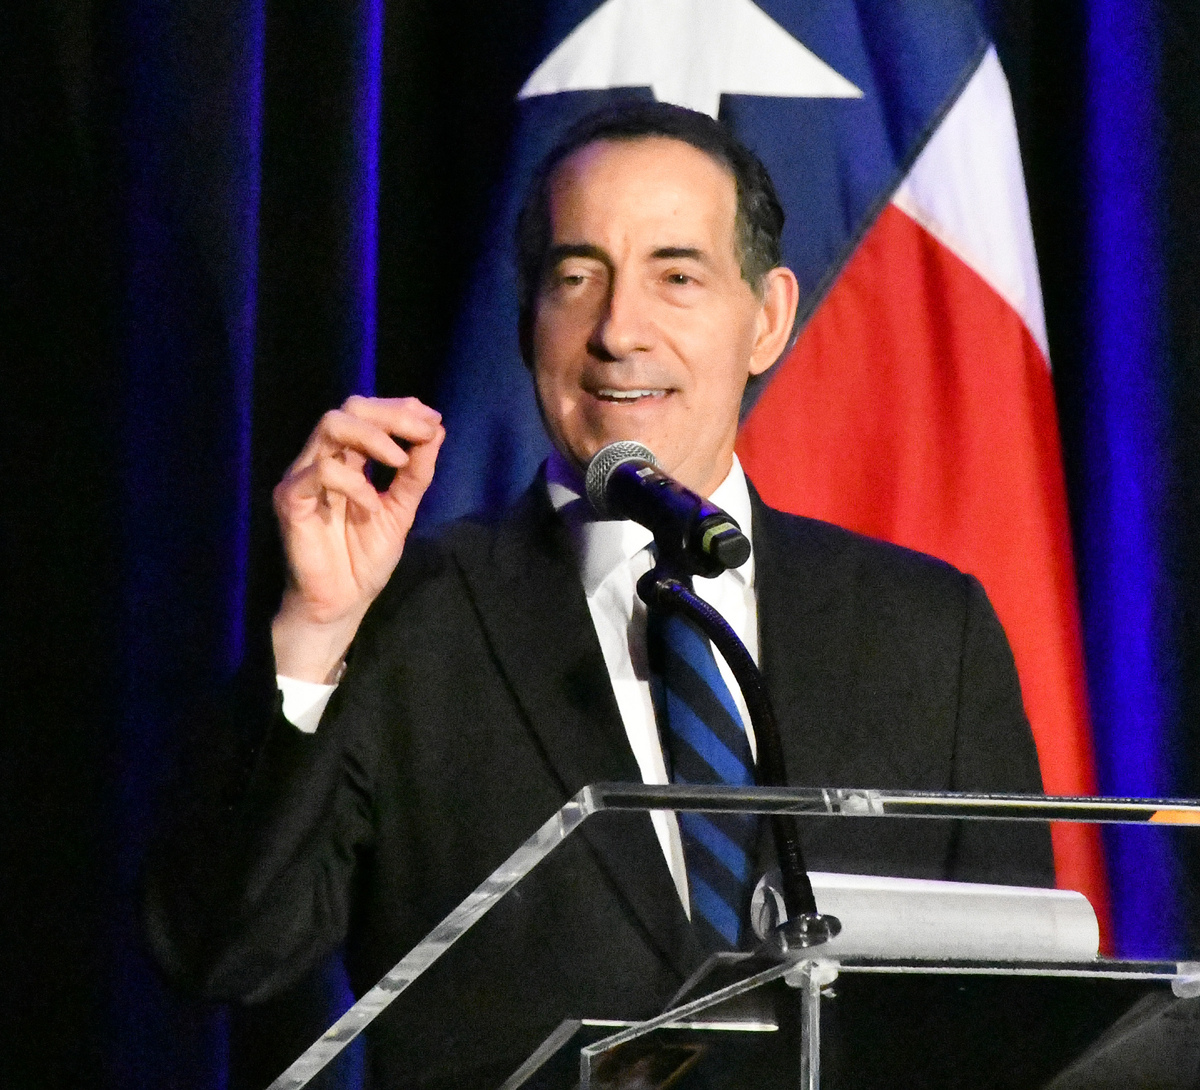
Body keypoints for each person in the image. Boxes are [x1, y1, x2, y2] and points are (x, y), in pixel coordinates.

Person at [146, 103, 1053, 1087]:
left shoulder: (930, 632)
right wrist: (316, 629)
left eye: (677, 276)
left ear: (767, 317)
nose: (619, 331)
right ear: (527, 316)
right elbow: (221, 949)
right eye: (577, 278)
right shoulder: (408, 621)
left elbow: (1020, 1017)